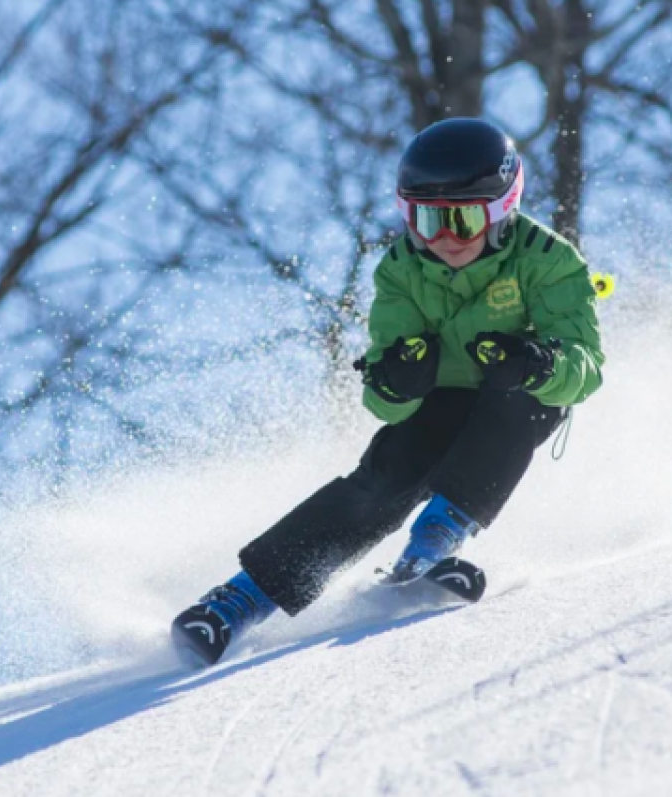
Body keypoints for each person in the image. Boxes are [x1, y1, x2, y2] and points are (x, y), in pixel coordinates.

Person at [171, 118, 606, 666]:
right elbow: (383, 400)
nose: (443, 238)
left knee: (514, 407)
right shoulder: (401, 269)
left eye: (463, 220)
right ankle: (239, 602)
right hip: (441, 400)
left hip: (518, 394)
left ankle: (432, 545)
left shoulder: (548, 259)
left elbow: (586, 367)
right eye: (425, 220)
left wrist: (538, 363)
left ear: (501, 211)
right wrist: (396, 380)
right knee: (387, 474)